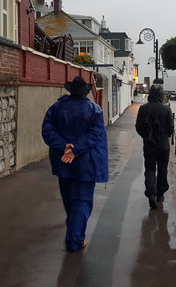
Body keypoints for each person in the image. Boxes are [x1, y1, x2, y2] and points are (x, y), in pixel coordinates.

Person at [41, 76, 108, 252]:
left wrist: (65, 147)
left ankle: (74, 229)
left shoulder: (56, 108)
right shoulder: (94, 110)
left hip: (63, 160)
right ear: (86, 92)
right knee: (82, 200)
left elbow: (47, 130)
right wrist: (75, 149)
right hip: (86, 162)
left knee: (69, 197)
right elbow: (95, 135)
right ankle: (75, 239)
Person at [135, 84, 174, 209]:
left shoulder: (143, 108)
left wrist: (146, 136)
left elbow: (138, 127)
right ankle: (160, 194)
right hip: (163, 145)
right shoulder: (166, 109)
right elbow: (170, 128)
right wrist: (164, 136)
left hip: (149, 144)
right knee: (163, 169)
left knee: (150, 169)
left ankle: (151, 193)